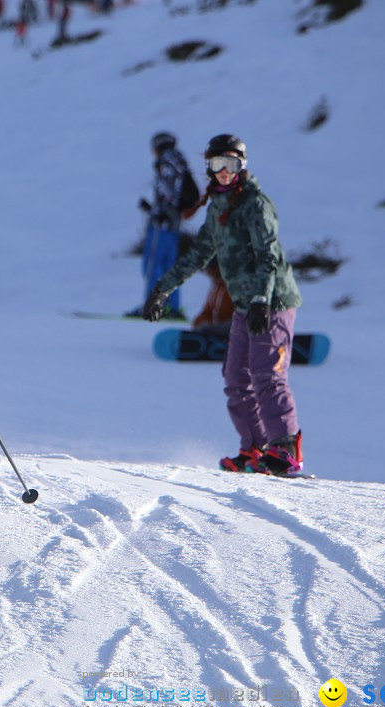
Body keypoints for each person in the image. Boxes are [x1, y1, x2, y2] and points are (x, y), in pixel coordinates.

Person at [143, 134, 304, 475]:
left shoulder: (255, 204)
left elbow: (268, 257)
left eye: (231, 164)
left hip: (271, 302)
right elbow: (200, 253)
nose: (224, 172)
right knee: (235, 378)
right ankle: (256, 450)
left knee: (267, 375)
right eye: (217, 165)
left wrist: (262, 299)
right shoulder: (217, 205)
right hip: (246, 304)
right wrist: (162, 289)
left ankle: (285, 448)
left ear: (242, 166)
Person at [131, 132, 197, 320]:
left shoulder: (166, 163)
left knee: (153, 264)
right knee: (169, 266)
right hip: (174, 225)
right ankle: (172, 307)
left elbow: (168, 195)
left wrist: (156, 212)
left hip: (162, 224)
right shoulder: (180, 162)